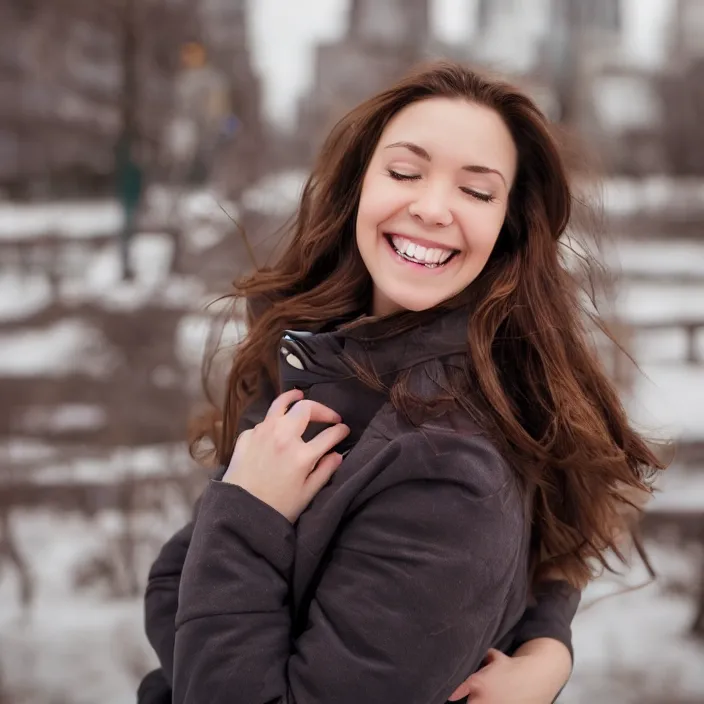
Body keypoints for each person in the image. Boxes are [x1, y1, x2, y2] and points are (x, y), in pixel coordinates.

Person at [138, 61, 663, 704]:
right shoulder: (325, 352)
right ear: (359, 186)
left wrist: (247, 513)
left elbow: (185, 599)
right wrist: (547, 639)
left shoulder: (444, 463)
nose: (432, 208)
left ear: (509, 226)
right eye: (405, 172)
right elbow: (172, 589)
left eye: (477, 191)